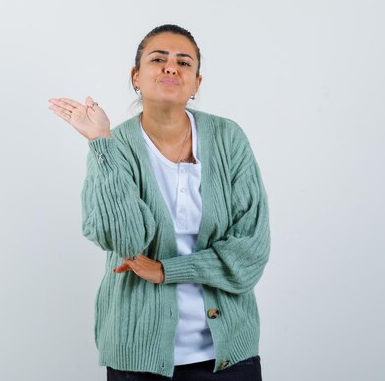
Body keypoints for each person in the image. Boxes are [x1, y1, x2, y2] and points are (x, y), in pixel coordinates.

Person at [48, 24, 270, 381]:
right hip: (138, 353)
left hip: (228, 355)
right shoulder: (113, 145)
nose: (171, 67)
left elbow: (251, 254)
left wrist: (167, 271)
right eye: (158, 59)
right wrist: (100, 143)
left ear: (197, 83)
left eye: (184, 62)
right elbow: (126, 241)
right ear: (136, 76)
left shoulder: (228, 138)